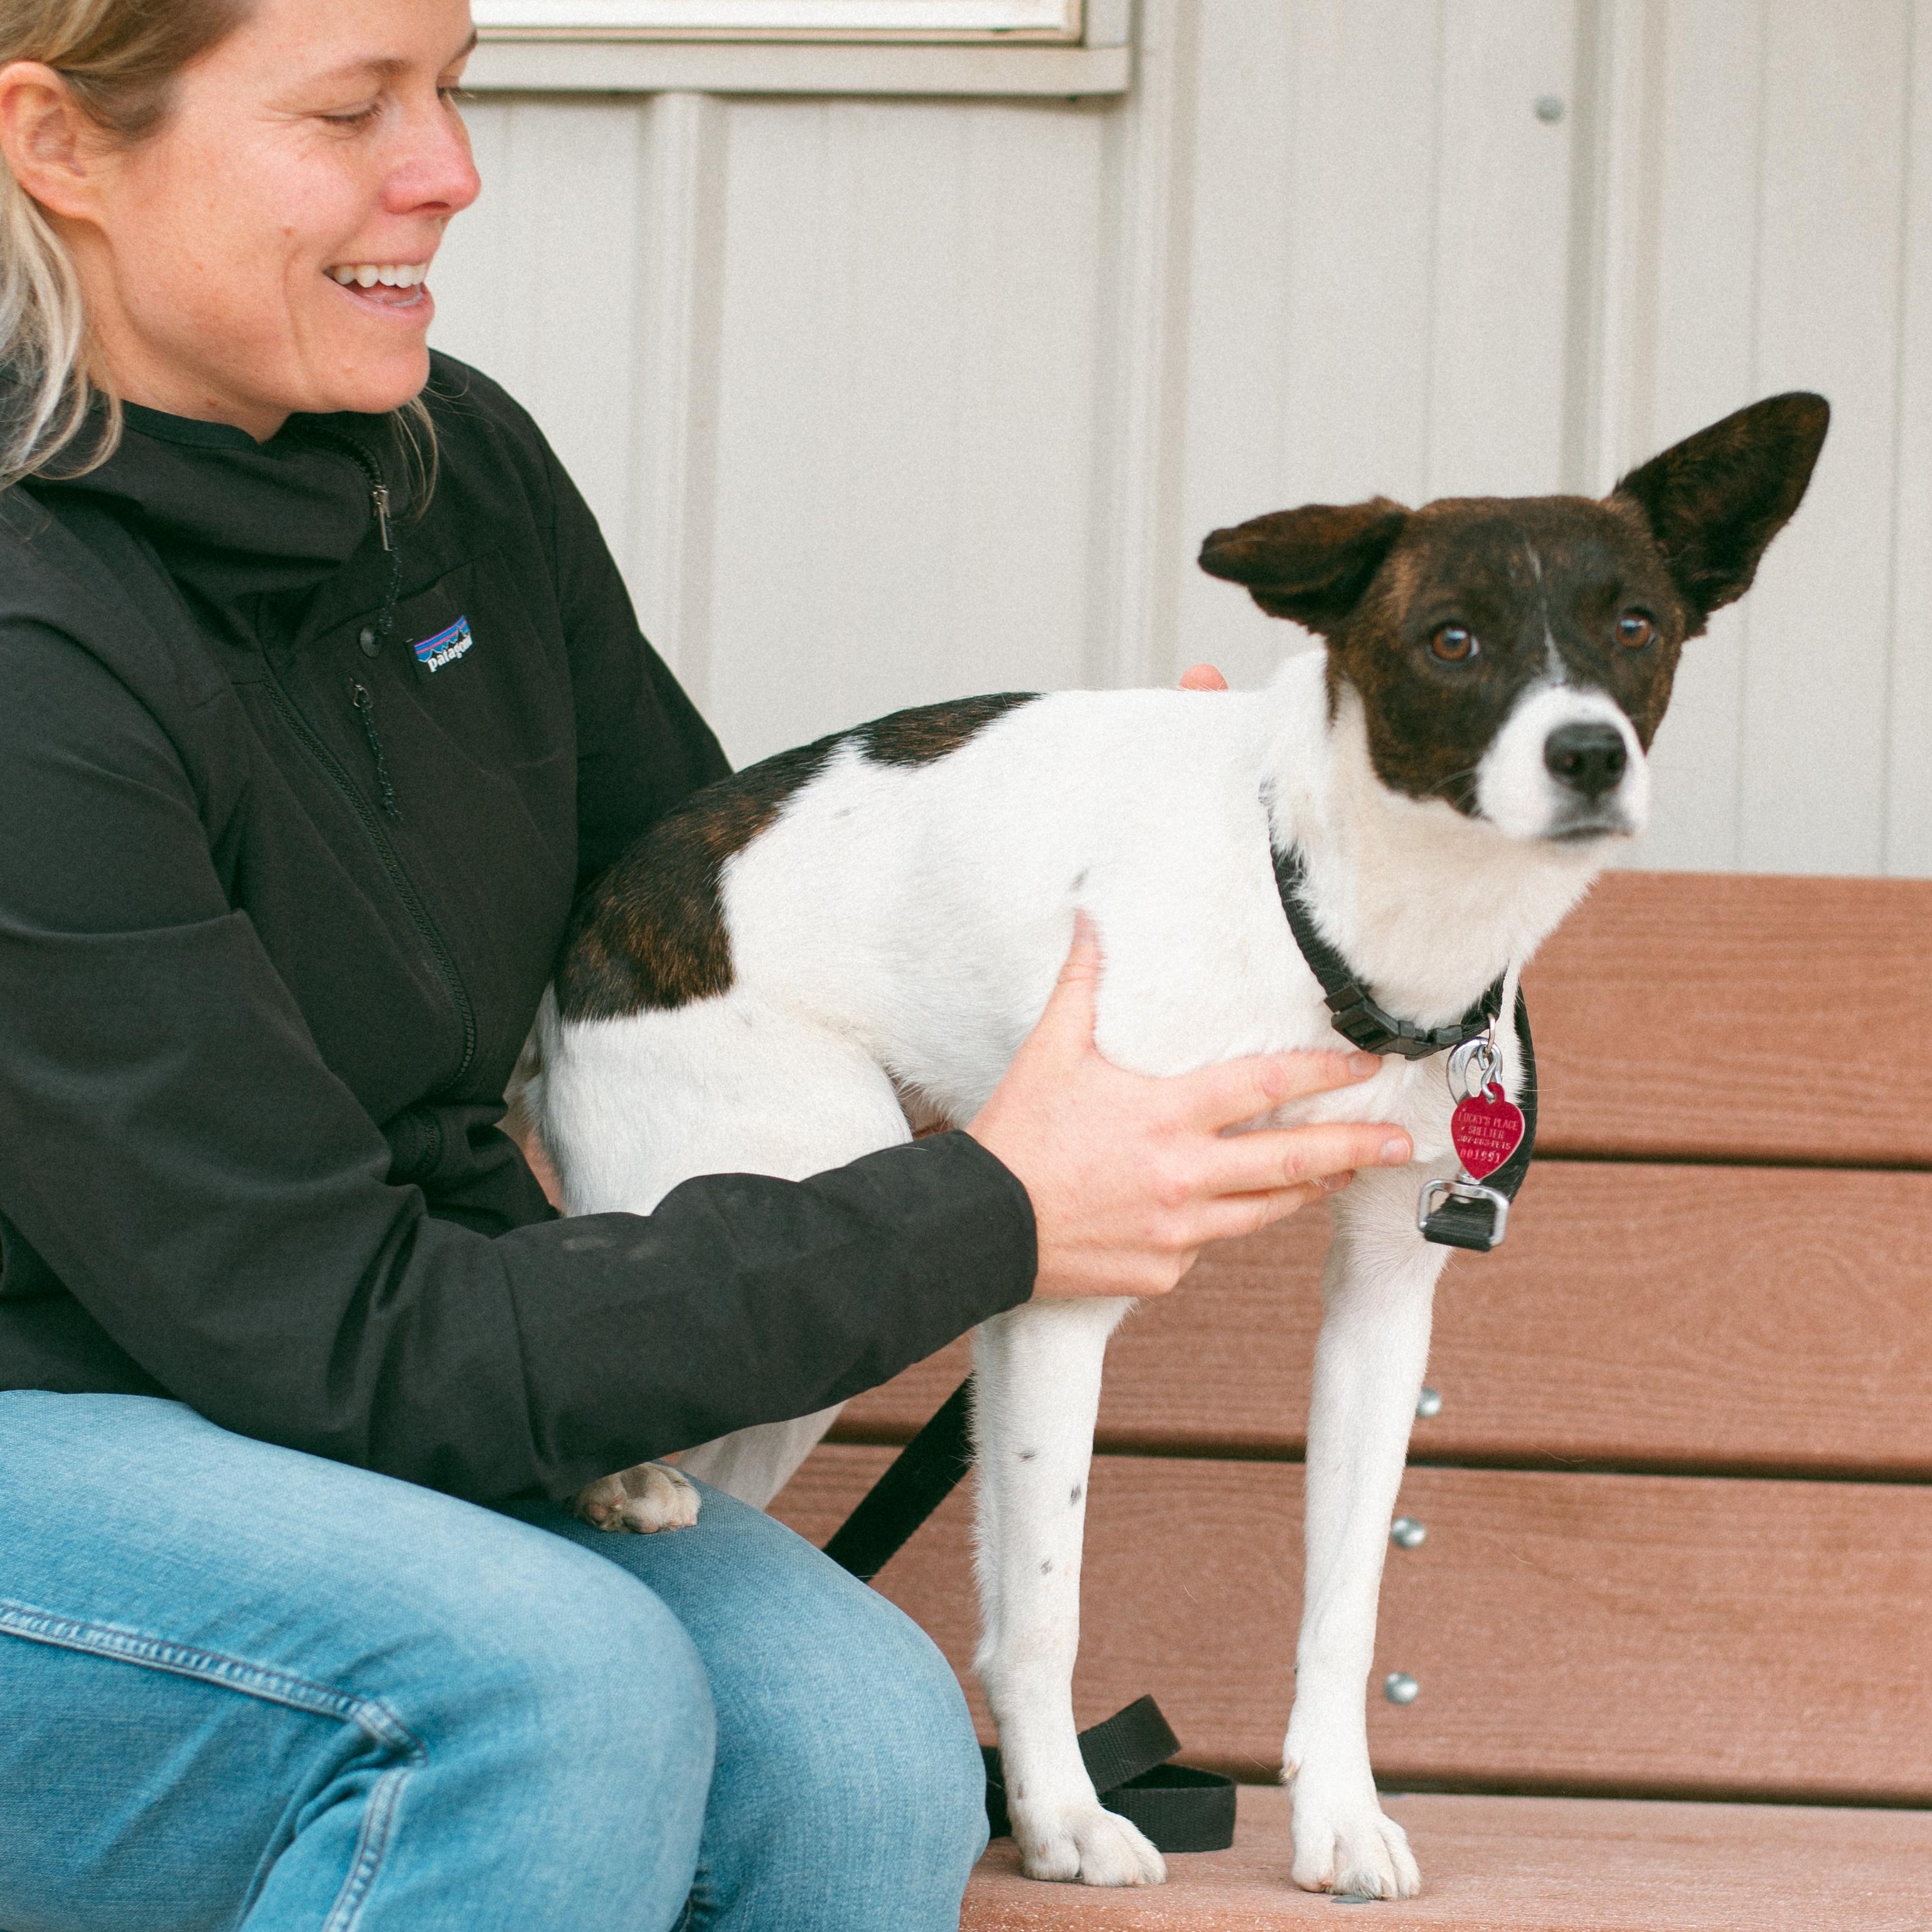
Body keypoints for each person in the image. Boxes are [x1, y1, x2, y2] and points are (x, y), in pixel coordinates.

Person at [0, 4, 1414, 1928]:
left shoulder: (449, 465)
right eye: (350, 111)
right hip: (87, 1414)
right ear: (58, 145)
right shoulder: (32, 650)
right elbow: (333, 1335)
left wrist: (1087, 859)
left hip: (356, 1372)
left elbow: (705, 918)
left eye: (454, 89)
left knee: (853, 1747)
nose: (448, 170)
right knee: (542, 1695)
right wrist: (993, 1215)